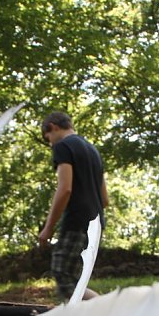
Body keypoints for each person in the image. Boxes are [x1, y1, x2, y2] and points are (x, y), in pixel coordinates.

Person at [38, 112, 108, 301]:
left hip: (78, 221)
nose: (51, 143)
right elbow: (105, 199)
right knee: (74, 279)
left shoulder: (63, 147)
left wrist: (48, 228)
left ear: (53, 127)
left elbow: (65, 189)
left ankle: (109, 312)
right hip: (96, 222)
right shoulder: (93, 151)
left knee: (65, 278)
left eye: (48, 139)